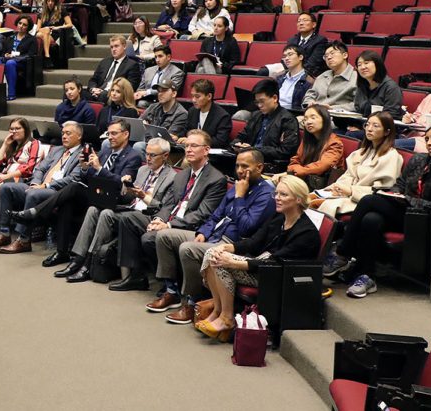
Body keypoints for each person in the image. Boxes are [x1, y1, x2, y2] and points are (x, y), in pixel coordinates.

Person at [149, 148, 276, 320]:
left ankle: (191, 302)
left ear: (259, 167)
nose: (239, 170)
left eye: (245, 166)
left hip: (231, 244)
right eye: (237, 165)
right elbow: (216, 214)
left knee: (188, 249)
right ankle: (171, 291)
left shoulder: (265, 194)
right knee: (165, 235)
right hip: (214, 234)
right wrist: (204, 231)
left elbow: (247, 228)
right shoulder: (239, 184)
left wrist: (239, 197)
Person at [324, 124, 431, 299]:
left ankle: (343, 252)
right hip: (404, 211)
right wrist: (394, 194)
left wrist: (407, 200)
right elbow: (400, 185)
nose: (429, 143)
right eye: (426, 139)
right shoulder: (419, 160)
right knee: (371, 219)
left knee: (368, 200)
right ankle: (367, 275)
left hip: (427, 221)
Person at [195, 176, 320, 339]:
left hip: (277, 277)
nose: (277, 198)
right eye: (276, 193)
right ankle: (218, 311)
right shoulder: (279, 217)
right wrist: (227, 247)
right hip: (261, 266)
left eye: (283, 195)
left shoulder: (306, 233)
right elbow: (254, 242)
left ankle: (226, 317)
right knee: (214, 252)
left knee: (218, 259)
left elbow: (274, 263)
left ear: (298, 199)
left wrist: (233, 262)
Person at [9, 119, 143, 266]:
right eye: (108, 133)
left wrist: (99, 169)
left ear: (126, 134)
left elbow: (121, 184)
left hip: (113, 199)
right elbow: (87, 178)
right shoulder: (105, 152)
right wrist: (85, 168)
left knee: (74, 187)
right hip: (95, 194)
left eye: (114, 133)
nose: (110, 137)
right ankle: (62, 252)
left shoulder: (133, 156)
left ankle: (35, 212)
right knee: (68, 201)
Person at [109, 130, 227, 291]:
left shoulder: (216, 179)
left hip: (189, 227)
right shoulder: (182, 175)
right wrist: (160, 219)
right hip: (170, 219)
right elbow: (168, 205)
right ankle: (136, 276)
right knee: (129, 219)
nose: (189, 150)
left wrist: (169, 225)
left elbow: (202, 214)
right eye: (186, 146)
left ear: (206, 150)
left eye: (194, 146)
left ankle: (172, 284)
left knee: (149, 238)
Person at [59, 138, 177, 283]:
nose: (148, 158)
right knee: (93, 209)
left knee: (106, 213)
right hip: (129, 208)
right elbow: (128, 198)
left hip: (147, 215)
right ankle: (78, 259)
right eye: (146, 154)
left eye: (153, 155)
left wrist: (144, 196)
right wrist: (124, 187)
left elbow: (164, 208)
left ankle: (89, 264)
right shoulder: (142, 170)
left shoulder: (172, 177)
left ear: (165, 156)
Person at [0, 121, 87, 254]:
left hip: (56, 192)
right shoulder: (57, 150)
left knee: (33, 195)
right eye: (63, 133)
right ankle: (4, 233)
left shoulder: (83, 154)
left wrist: (44, 185)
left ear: (79, 136)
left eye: (68, 134)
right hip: (37, 185)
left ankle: (23, 240)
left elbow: (72, 179)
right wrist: (35, 183)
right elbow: (40, 168)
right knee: (6, 188)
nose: (64, 136)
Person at [316, 112, 402, 217]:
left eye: (375, 126)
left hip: (362, 199)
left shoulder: (391, 156)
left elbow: (381, 190)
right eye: (367, 124)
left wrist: (351, 191)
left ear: (387, 132)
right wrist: (340, 187)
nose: (369, 129)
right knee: (309, 198)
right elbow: (349, 175)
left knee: (324, 205)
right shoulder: (362, 152)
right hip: (346, 193)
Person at [230, 79, 300, 173]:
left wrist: (254, 150)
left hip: (269, 164)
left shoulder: (287, 120)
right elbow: (241, 136)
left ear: (275, 98)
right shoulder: (256, 115)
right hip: (247, 160)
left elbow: (285, 151)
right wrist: (236, 144)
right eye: (257, 102)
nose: (259, 105)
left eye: (262, 101)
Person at [284, 104, 344, 187]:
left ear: (324, 119)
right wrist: (293, 168)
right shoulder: (307, 140)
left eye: (313, 117)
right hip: (304, 179)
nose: (308, 122)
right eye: (305, 119)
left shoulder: (335, 143)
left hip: (323, 185)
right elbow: (296, 159)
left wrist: (298, 170)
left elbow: (322, 166)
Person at [302, 40, 358, 112]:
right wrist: (310, 103)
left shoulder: (356, 78)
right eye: (326, 56)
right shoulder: (322, 76)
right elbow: (309, 95)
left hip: (340, 119)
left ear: (345, 55)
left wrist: (332, 109)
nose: (329, 57)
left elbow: (357, 104)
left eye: (332, 53)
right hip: (316, 115)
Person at [87, 35, 142, 104]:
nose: (113, 49)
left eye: (116, 46)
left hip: (114, 94)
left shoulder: (132, 65)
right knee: (81, 93)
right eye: (111, 47)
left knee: (103, 96)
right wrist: (93, 89)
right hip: (98, 92)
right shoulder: (104, 62)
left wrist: (110, 91)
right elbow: (93, 80)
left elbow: (131, 86)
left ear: (124, 46)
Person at [352, 50, 403, 122]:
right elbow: (358, 110)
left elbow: (391, 115)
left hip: (382, 129)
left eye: (366, 63)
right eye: (359, 65)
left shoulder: (391, 87)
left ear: (377, 64)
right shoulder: (361, 86)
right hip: (363, 125)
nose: (362, 67)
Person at [400, 68, 431, 152]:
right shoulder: (430, 97)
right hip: (411, 136)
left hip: (428, 142)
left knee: (388, 145)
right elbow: (416, 116)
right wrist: (410, 119)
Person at [183, 78, 232, 149]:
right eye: (192, 96)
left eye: (197, 96)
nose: (193, 100)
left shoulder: (223, 116)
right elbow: (186, 131)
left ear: (209, 96)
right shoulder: (192, 111)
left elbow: (219, 141)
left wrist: (195, 142)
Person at [2, 15, 36, 102]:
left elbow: (31, 55)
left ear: (28, 27)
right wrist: (6, 55)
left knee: (10, 63)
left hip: (21, 63)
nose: (21, 26)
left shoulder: (31, 39)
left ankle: (11, 94)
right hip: (8, 59)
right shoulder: (10, 37)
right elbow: (4, 51)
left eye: (24, 25)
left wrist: (15, 57)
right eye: (20, 23)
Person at [36, 0, 74, 68]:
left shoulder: (61, 11)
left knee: (42, 35)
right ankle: (47, 56)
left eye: (52, 1)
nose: (50, 3)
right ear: (46, 2)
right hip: (43, 32)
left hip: (55, 35)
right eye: (48, 1)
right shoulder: (42, 13)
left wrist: (58, 27)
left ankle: (41, 60)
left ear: (55, 2)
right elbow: (38, 29)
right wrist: (47, 29)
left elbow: (70, 24)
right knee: (42, 32)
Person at [286, 13, 329, 78]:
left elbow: (312, 64)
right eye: (299, 21)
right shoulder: (292, 40)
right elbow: (286, 59)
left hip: (309, 74)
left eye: (305, 20)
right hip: (290, 70)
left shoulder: (320, 40)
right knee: (266, 71)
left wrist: (293, 71)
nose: (301, 23)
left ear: (314, 24)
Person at [277, 45, 311, 111]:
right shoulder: (279, 78)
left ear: (300, 57)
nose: (286, 58)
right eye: (284, 56)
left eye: (290, 54)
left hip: (293, 114)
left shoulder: (309, 81)